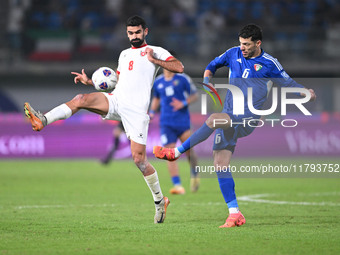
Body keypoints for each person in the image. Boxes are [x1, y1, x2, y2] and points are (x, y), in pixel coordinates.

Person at [24, 15, 184, 224]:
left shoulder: (156, 51)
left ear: (146, 31)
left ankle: (159, 201)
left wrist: (156, 61)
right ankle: (42, 120)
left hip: (136, 111)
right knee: (80, 99)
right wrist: (91, 81)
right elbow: (117, 83)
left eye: (137, 32)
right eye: (130, 33)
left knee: (139, 160)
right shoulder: (124, 54)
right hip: (117, 100)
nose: (134, 36)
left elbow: (179, 67)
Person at [153, 24, 317, 228]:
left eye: (247, 44)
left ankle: (175, 152)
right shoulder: (233, 53)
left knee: (213, 119)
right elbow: (212, 65)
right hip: (229, 114)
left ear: (258, 43)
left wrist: (306, 93)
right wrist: (207, 81)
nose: (243, 48)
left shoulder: (269, 63)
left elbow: (289, 84)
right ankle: (235, 213)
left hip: (248, 117)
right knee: (220, 164)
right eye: (241, 44)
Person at [149, 57, 199, 195]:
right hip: (166, 123)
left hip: (183, 122)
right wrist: (152, 112)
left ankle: (195, 174)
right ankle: (177, 185)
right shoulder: (158, 81)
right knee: (169, 154)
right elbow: (156, 98)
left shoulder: (183, 79)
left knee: (189, 152)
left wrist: (183, 103)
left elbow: (195, 95)